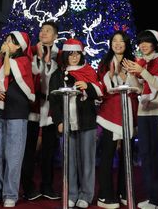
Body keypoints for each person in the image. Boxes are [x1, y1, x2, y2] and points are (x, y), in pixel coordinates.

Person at [49, 38, 102, 209]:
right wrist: (58, 121)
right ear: (65, 55)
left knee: (87, 160)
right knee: (68, 160)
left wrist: (87, 86)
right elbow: (54, 100)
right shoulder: (57, 75)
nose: (74, 57)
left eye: (77, 54)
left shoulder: (89, 71)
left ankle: (86, 194)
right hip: (66, 123)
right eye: (70, 54)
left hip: (86, 122)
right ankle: (71, 193)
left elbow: (99, 93)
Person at [0, 31, 35, 208]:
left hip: (17, 112)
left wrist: (4, 56)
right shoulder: (2, 61)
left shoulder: (23, 61)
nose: (6, 44)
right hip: (1, 110)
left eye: (11, 43)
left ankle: (10, 194)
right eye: (6, 40)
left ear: (20, 46)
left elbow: (7, 70)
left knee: (13, 155)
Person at [122, 30, 158, 209]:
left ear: (155, 44)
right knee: (146, 156)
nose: (143, 45)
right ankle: (152, 198)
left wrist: (142, 71)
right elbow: (136, 89)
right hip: (143, 112)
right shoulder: (140, 63)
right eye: (141, 42)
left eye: (147, 42)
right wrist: (132, 74)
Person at [96, 30, 139, 209]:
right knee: (107, 155)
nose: (118, 43)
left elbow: (139, 86)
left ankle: (124, 191)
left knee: (127, 155)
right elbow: (101, 88)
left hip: (128, 111)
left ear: (126, 43)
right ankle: (105, 195)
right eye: (115, 40)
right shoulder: (105, 63)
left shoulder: (134, 62)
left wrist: (126, 78)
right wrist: (112, 77)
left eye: (121, 41)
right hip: (109, 114)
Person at [21, 21, 61, 201]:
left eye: (48, 31)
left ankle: (47, 186)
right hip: (33, 105)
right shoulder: (29, 52)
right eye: (42, 30)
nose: (43, 33)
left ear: (55, 36)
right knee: (28, 149)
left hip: (51, 109)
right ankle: (28, 187)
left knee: (49, 150)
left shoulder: (60, 56)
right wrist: (38, 58)